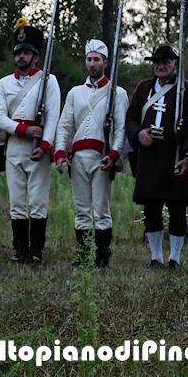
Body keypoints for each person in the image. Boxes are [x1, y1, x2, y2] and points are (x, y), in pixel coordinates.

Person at [125, 45, 188, 270]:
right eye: (157, 61)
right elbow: (130, 118)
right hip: (149, 157)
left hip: (173, 155)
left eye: (166, 61)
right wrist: (138, 133)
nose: (161, 65)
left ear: (175, 64)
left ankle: (174, 257)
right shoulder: (142, 89)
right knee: (151, 209)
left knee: (177, 210)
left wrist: (187, 155)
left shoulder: (187, 90)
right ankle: (156, 256)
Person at [54, 39, 128, 268]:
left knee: (101, 210)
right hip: (78, 158)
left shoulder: (118, 93)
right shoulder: (76, 93)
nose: (92, 63)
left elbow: (120, 128)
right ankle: (83, 254)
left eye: (97, 59)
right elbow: (64, 125)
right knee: (82, 209)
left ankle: (103, 255)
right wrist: (59, 151)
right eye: (89, 59)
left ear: (105, 62)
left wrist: (114, 154)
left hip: (101, 158)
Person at [0, 19, 61, 265]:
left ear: (35, 56)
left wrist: (45, 145)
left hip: (38, 151)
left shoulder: (48, 81)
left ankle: (36, 252)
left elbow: (53, 117)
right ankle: (20, 251)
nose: (22, 56)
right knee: (17, 203)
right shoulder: (4, 83)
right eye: (19, 52)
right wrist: (23, 129)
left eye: (26, 52)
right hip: (15, 148)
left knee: (38, 202)